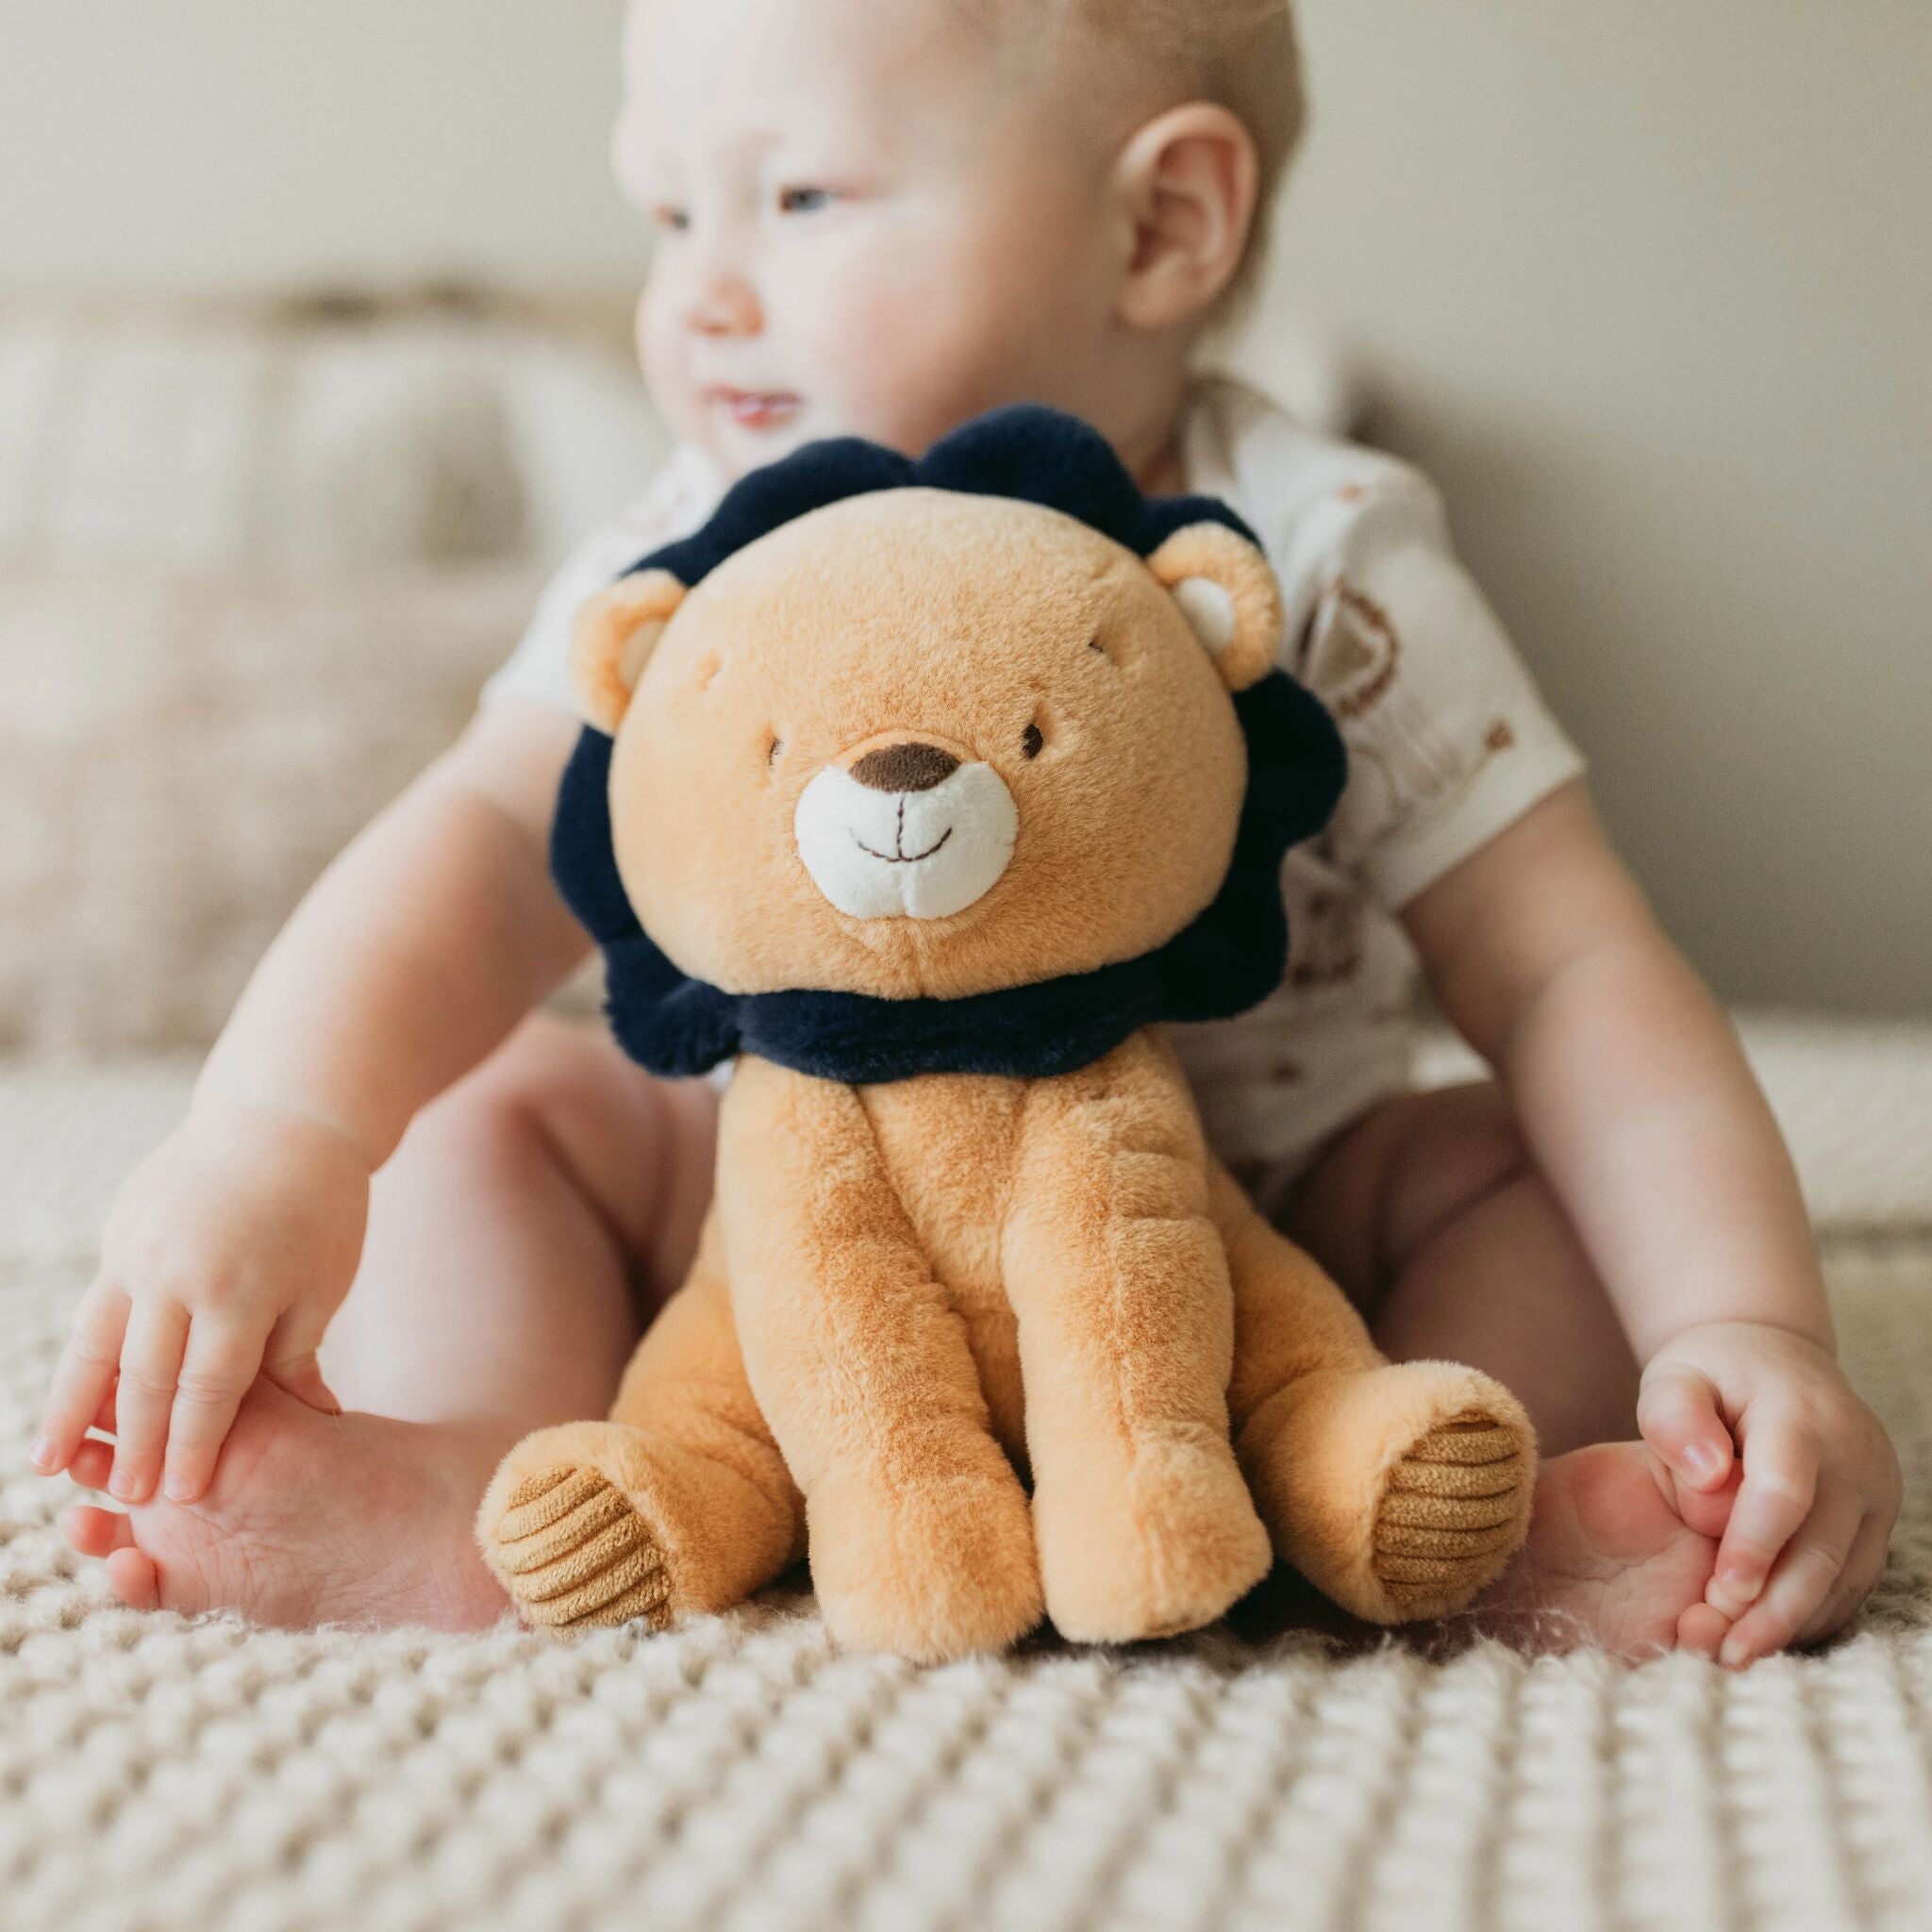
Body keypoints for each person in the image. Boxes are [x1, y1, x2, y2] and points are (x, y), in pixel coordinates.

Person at [34, 0, 1898, 1664]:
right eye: (671, 211)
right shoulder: (695, 539)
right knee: (493, 1113)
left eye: (801, 201)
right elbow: (476, 843)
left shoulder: (1315, 554)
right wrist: (280, 1133)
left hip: (1250, 1232)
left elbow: (1568, 965)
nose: (696, 291)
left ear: (1160, 224)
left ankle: (1426, 1499)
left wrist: (1748, 1325)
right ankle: (491, 1475)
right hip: (776, 1231)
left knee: (1522, 1165)